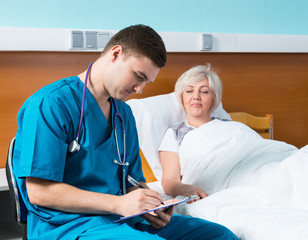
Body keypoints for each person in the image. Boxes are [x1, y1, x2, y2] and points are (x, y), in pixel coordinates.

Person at [13, 25, 238, 239]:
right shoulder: (50, 104)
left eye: (146, 83)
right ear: (116, 54)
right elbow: (39, 193)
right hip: (67, 225)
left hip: (122, 219)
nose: (139, 90)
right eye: (138, 76)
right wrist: (118, 204)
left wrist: (153, 205)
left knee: (220, 235)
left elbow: (133, 181)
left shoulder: (124, 114)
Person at [159, 64, 222, 200]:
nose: (196, 96)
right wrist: (190, 190)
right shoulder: (174, 135)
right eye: (189, 91)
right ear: (181, 97)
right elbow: (169, 182)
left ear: (213, 99)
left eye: (204, 91)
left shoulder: (230, 128)